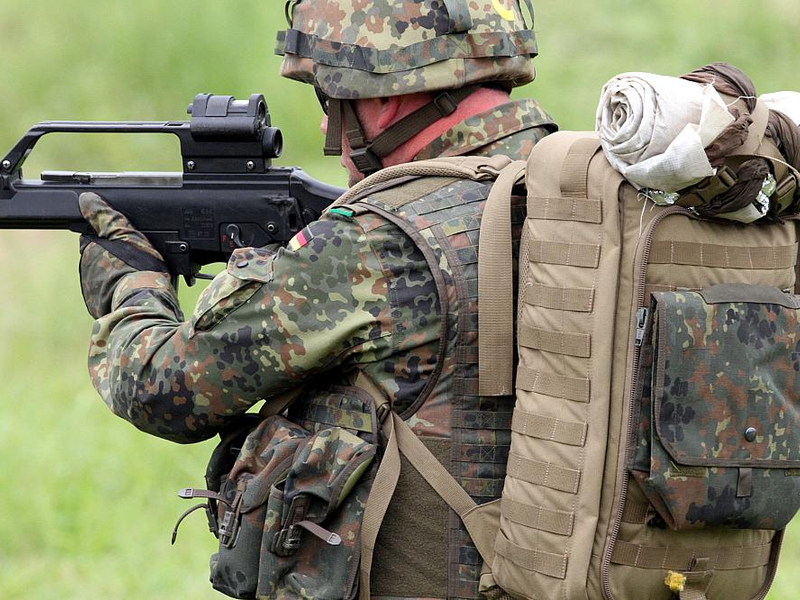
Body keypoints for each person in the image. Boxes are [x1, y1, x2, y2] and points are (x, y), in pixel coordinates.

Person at [78, 0, 556, 597]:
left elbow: (161, 387)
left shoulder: (376, 243)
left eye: (331, 101)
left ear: (382, 92)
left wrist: (130, 282)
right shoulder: (594, 197)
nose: (331, 135)